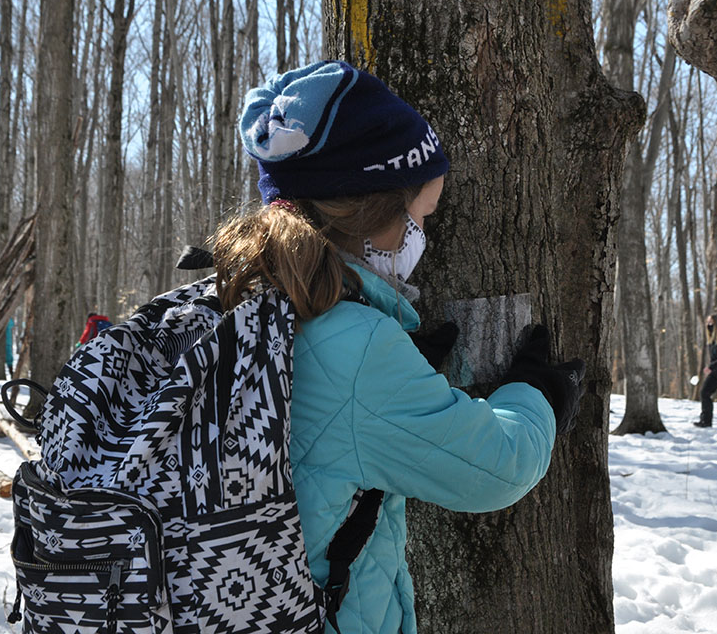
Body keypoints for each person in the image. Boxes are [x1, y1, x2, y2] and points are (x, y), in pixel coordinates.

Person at [221, 60, 585, 634]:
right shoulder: (360, 349)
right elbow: (497, 467)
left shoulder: (243, 294)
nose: (423, 235)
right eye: (421, 215)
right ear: (376, 215)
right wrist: (538, 393)